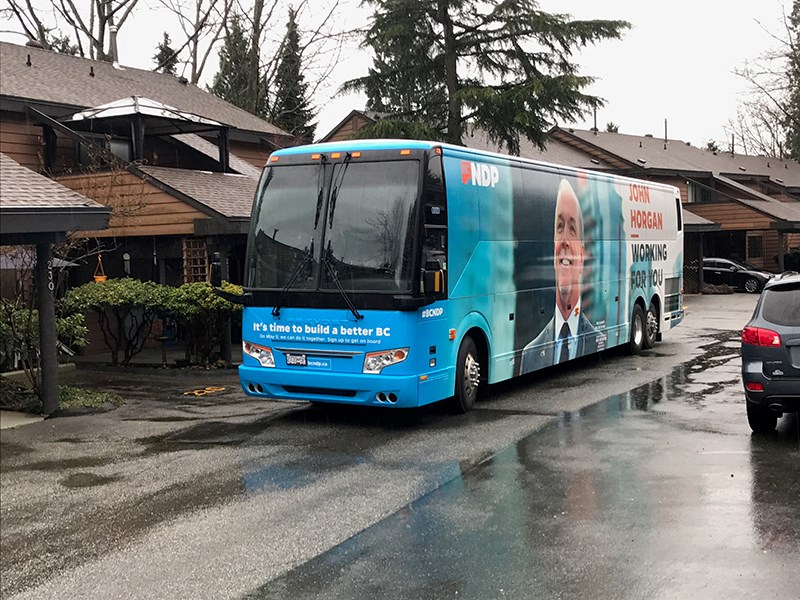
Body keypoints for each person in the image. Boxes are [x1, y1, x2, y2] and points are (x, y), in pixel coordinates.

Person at [520, 179, 598, 374]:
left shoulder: (598, 341)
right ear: (553, 250)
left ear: (581, 256)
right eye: (559, 227)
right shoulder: (529, 355)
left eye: (572, 230)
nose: (564, 241)